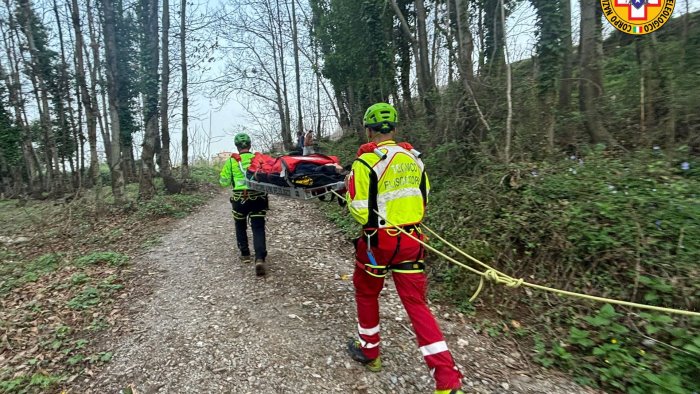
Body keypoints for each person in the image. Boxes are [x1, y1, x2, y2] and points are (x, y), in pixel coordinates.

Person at [344, 103, 464, 394]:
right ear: (395, 129)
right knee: (416, 304)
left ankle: (370, 353)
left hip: (378, 243)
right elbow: (423, 199)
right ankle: (447, 381)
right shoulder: (415, 160)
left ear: (368, 130)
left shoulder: (365, 163)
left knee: (366, 292)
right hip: (412, 240)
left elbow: (360, 210)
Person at [219, 133, 269, 276]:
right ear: (250, 145)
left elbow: (224, 182)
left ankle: (245, 254)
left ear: (237, 146)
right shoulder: (257, 159)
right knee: (258, 227)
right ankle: (259, 258)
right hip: (258, 198)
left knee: (240, 225)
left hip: (239, 200)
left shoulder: (231, 161)